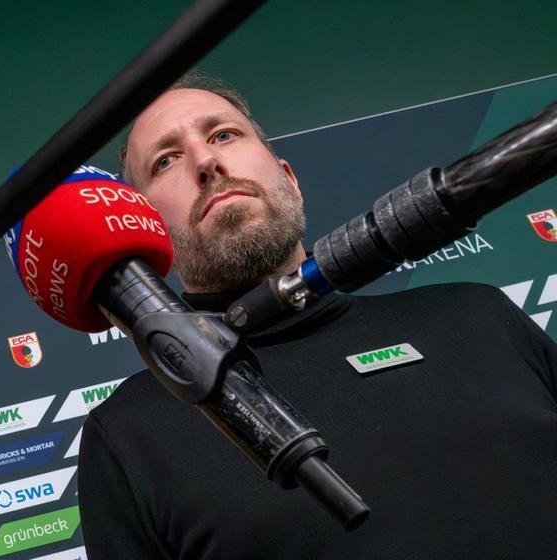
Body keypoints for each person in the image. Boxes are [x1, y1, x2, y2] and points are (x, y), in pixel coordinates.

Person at [78, 73, 557, 559]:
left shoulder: (476, 315)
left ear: (290, 180)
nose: (205, 161)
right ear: (147, 228)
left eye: (223, 134)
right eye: (166, 160)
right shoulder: (127, 433)